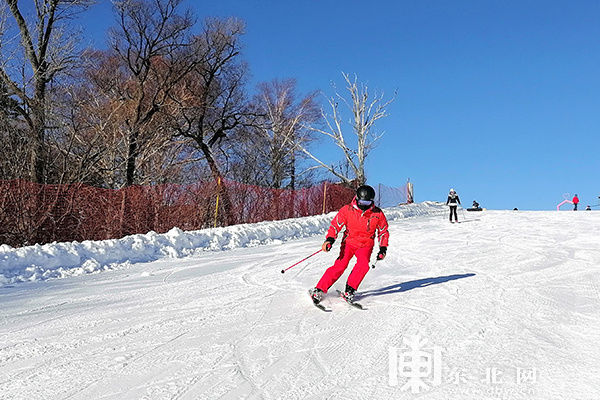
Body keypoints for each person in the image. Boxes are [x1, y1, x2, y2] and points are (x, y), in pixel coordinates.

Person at [309, 184, 389, 304]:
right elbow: (335, 225)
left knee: (363, 265)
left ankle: (349, 291)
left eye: (367, 203)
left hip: (366, 244)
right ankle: (319, 289)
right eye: (362, 202)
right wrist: (330, 239)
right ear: (357, 198)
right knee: (341, 265)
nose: (364, 205)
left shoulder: (377, 214)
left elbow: (383, 231)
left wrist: (383, 248)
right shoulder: (347, 210)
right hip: (349, 242)